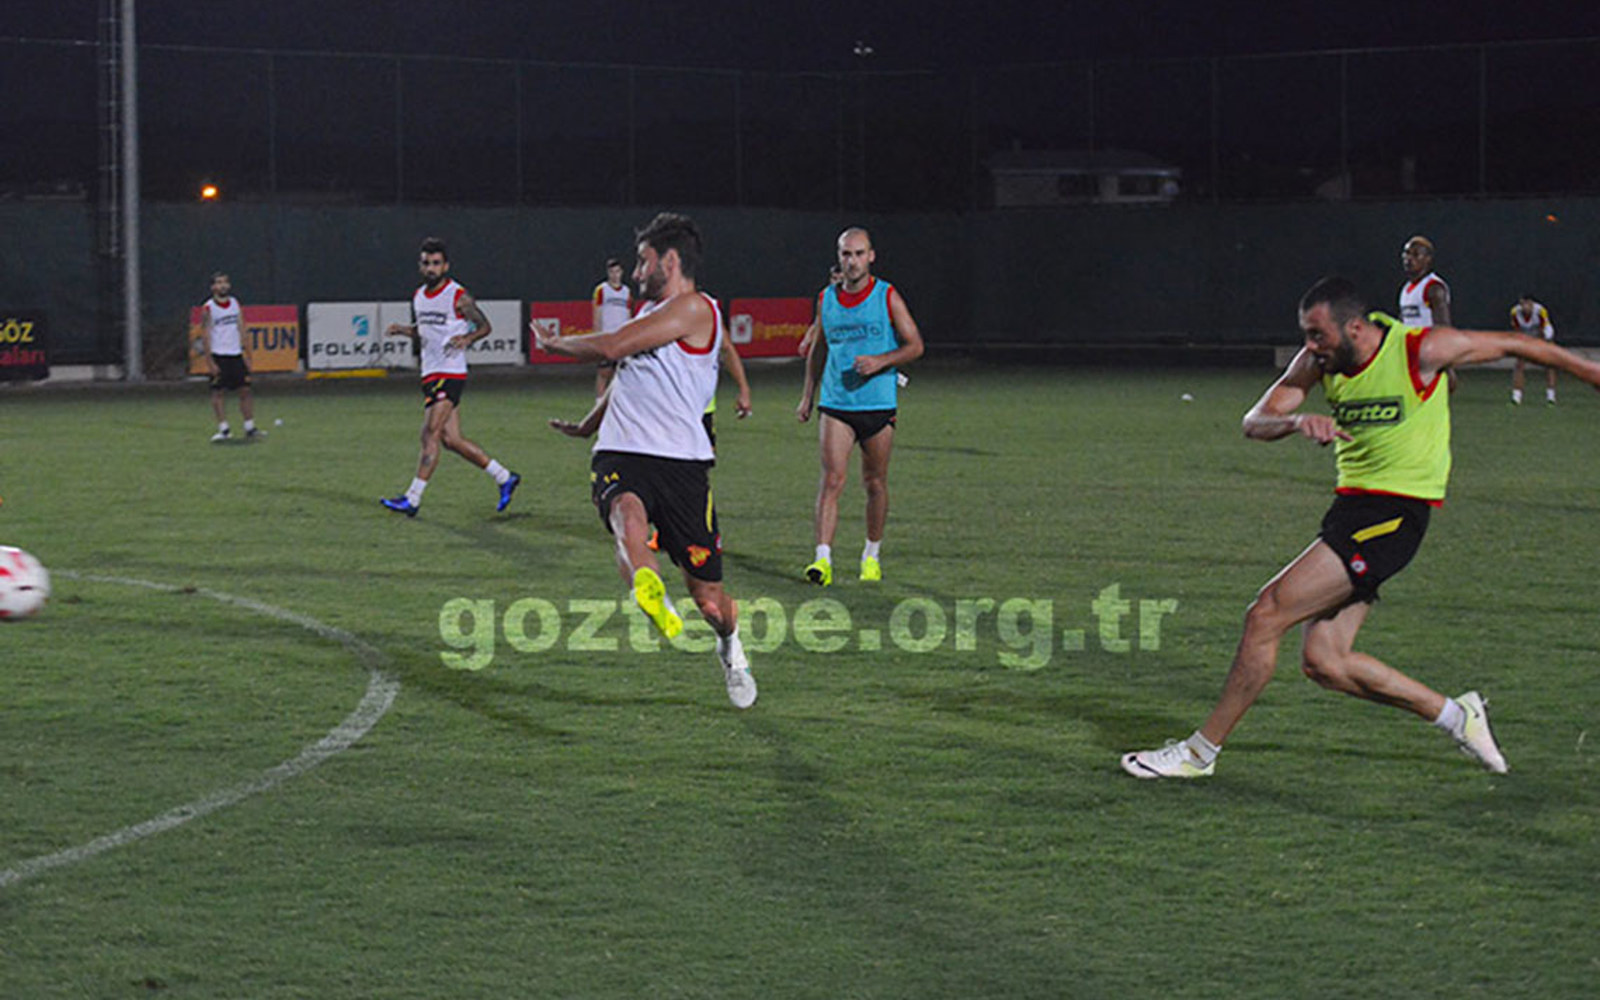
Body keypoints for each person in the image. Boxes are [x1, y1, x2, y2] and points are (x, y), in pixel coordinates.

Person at [1121, 275, 1600, 780]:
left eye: (1318, 334)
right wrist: (1294, 422)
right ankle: (1457, 716)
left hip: (1393, 516)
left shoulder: (1419, 350)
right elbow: (1254, 421)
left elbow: (1516, 344)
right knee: (1325, 662)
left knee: (1266, 614)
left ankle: (1199, 754)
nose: (1310, 345)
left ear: (1354, 327)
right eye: (1306, 335)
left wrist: (1590, 372)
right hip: (1351, 511)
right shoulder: (1318, 362)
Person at [538, 212, 756, 710]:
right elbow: (625, 375)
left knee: (710, 602)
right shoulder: (648, 314)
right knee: (625, 515)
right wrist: (588, 425)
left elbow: (612, 347)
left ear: (670, 261)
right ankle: (649, 587)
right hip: (621, 451)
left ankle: (730, 645)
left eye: (643, 261)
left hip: (682, 464)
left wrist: (554, 343)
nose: (636, 273)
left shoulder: (696, 309)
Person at [796, 228, 924, 585]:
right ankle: (822, 560)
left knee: (875, 483)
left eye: (858, 254)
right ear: (838, 257)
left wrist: (881, 361)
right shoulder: (827, 299)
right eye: (846, 254)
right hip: (836, 402)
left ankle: (871, 555)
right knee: (831, 480)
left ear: (871, 256)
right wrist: (808, 395)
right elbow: (819, 348)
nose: (851, 261)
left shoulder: (886, 296)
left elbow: (915, 345)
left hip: (878, 403)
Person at [379, 237, 520, 518]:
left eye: (436, 263)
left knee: (429, 432)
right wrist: (403, 330)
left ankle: (412, 498)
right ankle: (504, 476)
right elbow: (425, 330)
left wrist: (467, 338)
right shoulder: (419, 296)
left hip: (450, 372)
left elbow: (485, 326)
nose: (431, 268)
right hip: (430, 372)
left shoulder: (458, 295)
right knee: (451, 439)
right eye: (426, 263)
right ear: (420, 266)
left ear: (445, 266)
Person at [198, 272, 262, 442]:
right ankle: (224, 429)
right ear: (213, 287)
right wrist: (210, 361)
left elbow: (242, 328)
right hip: (219, 354)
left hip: (236, 354)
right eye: (219, 283)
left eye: (225, 282)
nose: (223, 286)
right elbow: (205, 334)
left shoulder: (234, 303)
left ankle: (250, 427)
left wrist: (248, 354)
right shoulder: (208, 308)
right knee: (218, 392)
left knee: (245, 390)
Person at [1399, 235, 1458, 391]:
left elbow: (1443, 327)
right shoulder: (1406, 289)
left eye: (1416, 255)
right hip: (1409, 356)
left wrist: (1447, 364)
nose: (1409, 259)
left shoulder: (1433, 287)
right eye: (1406, 253)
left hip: (1428, 356)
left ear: (1428, 259)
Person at [591, 257, 634, 399]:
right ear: (608, 273)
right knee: (604, 372)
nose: (615, 275)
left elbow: (629, 315)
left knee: (620, 374)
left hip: (621, 339)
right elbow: (597, 314)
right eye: (612, 272)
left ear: (622, 273)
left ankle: (615, 403)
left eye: (617, 271)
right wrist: (597, 337)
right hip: (607, 337)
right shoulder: (602, 290)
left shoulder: (626, 292)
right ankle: (599, 403)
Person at [1509, 294, 1558, 405]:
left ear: (1532, 304)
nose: (1526, 307)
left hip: (1542, 335)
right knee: (1519, 364)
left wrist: (1544, 343)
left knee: (1550, 364)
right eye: (1523, 304)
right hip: (1525, 335)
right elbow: (1517, 331)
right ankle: (1516, 397)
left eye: (1528, 304)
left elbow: (1545, 329)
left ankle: (1551, 397)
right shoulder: (1515, 312)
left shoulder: (1540, 311)